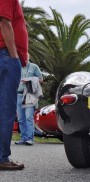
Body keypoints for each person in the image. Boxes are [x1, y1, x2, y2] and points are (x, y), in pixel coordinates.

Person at [0, 0, 28, 170]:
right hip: (5, 57)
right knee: (6, 110)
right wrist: (14, 55)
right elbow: (4, 21)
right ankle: (2, 157)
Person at [15, 54, 43, 146]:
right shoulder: (18, 66)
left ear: (28, 57)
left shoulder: (34, 67)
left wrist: (29, 80)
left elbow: (41, 79)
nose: (24, 59)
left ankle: (29, 138)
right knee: (21, 119)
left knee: (28, 117)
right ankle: (23, 138)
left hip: (29, 95)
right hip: (18, 94)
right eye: (22, 57)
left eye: (25, 57)